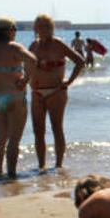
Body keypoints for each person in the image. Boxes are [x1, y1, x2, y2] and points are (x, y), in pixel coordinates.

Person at [29, 14, 85, 171]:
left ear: (52, 28)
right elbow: (26, 66)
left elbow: (80, 61)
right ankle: (41, 166)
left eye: (47, 26)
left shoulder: (58, 44)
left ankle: (59, 165)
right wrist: (24, 80)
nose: (43, 29)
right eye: (40, 26)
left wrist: (69, 82)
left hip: (56, 92)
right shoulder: (34, 45)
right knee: (38, 131)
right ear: (35, 29)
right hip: (36, 93)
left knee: (56, 128)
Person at [0, 17, 38, 178]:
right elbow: (33, 60)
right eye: (14, 30)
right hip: (14, 97)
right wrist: (26, 79)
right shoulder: (13, 47)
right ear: (10, 31)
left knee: (0, 137)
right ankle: (12, 174)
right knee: (14, 139)